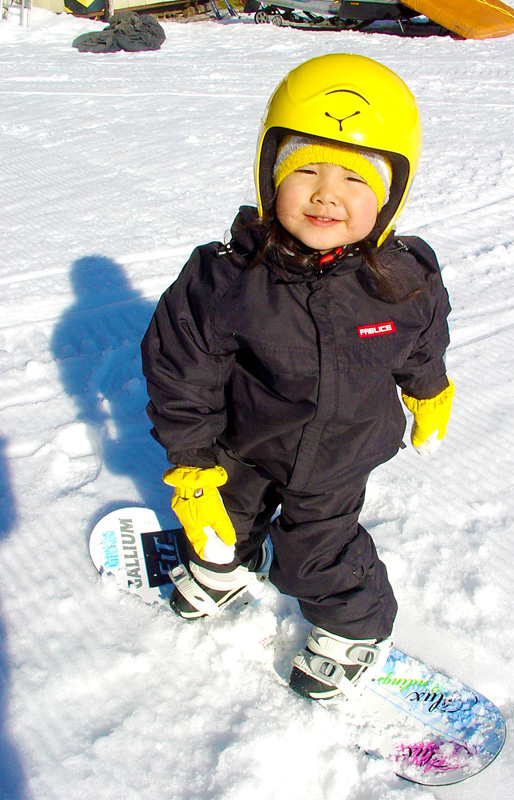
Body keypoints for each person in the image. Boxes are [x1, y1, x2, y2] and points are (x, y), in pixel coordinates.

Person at [141, 53, 454, 701]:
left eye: (354, 178)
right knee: (227, 513)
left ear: (391, 197)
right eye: (304, 169)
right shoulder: (228, 278)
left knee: (319, 550)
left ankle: (355, 629)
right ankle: (226, 562)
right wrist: (193, 465)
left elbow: (421, 337)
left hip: (340, 454)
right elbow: (183, 372)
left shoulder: (399, 278)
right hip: (248, 439)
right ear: (268, 173)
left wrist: (429, 388)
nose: (325, 193)